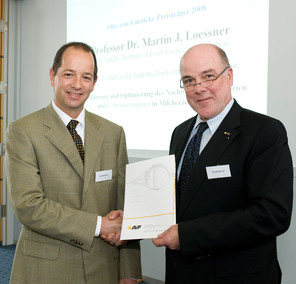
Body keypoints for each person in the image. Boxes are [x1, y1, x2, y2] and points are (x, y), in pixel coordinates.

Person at [152, 43, 293, 284]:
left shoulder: (264, 131)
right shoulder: (180, 133)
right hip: (181, 274)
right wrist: (139, 218)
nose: (199, 88)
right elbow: (182, 200)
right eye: (188, 80)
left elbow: (271, 214)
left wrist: (187, 236)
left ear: (229, 76)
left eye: (208, 76)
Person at [5, 42, 141, 284]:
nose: (77, 85)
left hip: (103, 267)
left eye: (86, 77)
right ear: (52, 75)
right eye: (69, 74)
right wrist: (99, 225)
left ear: (94, 82)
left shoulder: (113, 133)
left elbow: (124, 205)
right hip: (46, 270)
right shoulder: (22, 131)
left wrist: (130, 272)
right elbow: (29, 206)